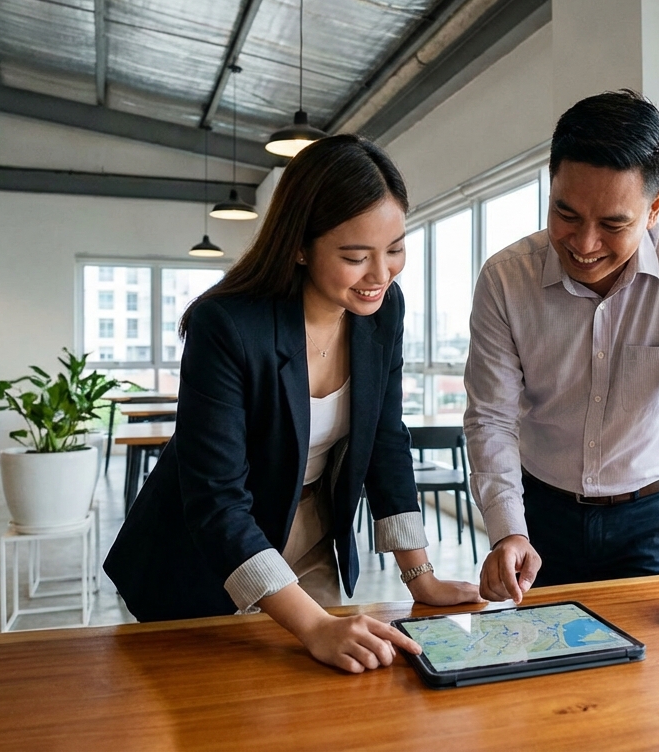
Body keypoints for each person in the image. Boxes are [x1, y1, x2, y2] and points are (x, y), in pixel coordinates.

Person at [105, 134, 480, 674]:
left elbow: (384, 441)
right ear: (300, 246)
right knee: (216, 706)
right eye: (356, 256)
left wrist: (421, 577)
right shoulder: (229, 326)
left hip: (309, 526)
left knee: (326, 690)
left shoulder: (383, 310)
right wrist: (314, 626)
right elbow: (216, 501)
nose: (381, 275)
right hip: (206, 547)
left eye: (394, 249)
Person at [464, 90, 659, 647]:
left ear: (656, 207)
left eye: (613, 223)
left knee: (655, 694)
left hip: (650, 517)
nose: (584, 244)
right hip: (539, 517)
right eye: (565, 213)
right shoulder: (505, 278)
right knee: (538, 691)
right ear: (551, 186)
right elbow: (490, 418)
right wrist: (506, 530)